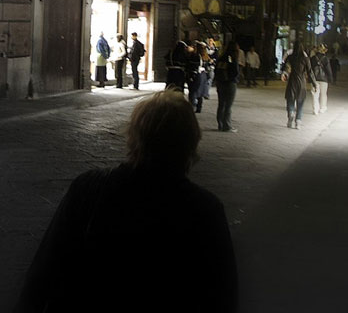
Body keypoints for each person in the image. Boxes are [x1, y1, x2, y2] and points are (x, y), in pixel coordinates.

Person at [13, 90, 238, 313]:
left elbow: (44, 272)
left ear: (134, 136)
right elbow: (222, 295)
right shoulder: (205, 210)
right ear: (191, 142)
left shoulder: (89, 188)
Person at [282, 40, 317, 130]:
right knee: (300, 102)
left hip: (292, 81)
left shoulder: (290, 57)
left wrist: (284, 74)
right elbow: (310, 72)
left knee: (290, 99)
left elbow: (286, 68)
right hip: (301, 82)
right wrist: (314, 83)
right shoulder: (305, 59)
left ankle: (291, 113)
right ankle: (298, 121)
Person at [215, 41, 240, 132]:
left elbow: (216, 69)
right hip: (229, 83)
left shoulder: (221, 57)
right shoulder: (232, 57)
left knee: (221, 104)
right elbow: (235, 71)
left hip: (220, 83)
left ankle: (220, 124)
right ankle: (227, 125)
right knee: (228, 105)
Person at [310, 44, 333, 115]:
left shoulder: (313, 58)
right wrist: (330, 78)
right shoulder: (325, 59)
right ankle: (322, 108)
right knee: (323, 94)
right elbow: (328, 70)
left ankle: (315, 109)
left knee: (315, 94)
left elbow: (310, 69)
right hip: (324, 79)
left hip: (315, 79)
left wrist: (310, 78)